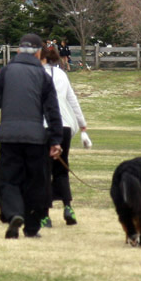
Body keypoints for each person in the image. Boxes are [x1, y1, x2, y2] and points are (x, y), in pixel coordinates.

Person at [0, 33, 63, 238]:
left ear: (18, 51)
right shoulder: (44, 76)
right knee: (36, 182)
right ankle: (32, 227)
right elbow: (53, 111)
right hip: (36, 138)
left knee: (7, 180)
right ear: (38, 53)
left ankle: (14, 214)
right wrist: (55, 140)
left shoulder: (5, 73)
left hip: (9, 137)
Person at [39, 44, 89, 226]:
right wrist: (82, 124)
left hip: (44, 127)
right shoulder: (61, 75)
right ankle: (68, 206)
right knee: (62, 169)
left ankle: (44, 214)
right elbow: (72, 101)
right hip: (64, 127)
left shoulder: (36, 74)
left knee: (44, 171)